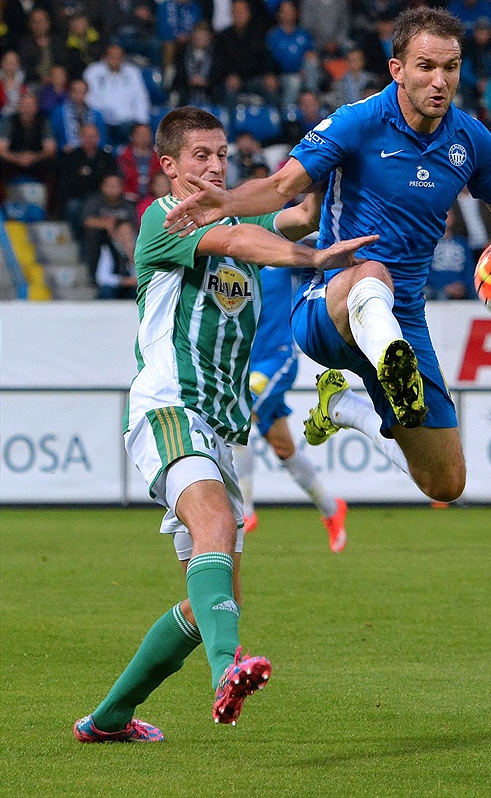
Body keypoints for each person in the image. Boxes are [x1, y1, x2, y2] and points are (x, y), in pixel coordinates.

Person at [163, 7, 491, 505]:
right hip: (327, 307)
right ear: (397, 69)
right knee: (372, 268)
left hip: (404, 318)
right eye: (426, 66)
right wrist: (229, 201)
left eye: (451, 67)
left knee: (445, 484)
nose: (440, 80)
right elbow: (285, 185)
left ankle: (347, 408)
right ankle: (393, 364)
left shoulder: (471, 140)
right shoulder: (358, 122)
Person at [73, 105, 375, 743]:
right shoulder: (163, 217)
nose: (214, 166)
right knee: (213, 525)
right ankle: (227, 673)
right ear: (170, 167)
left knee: (209, 601)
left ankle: (109, 719)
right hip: (168, 405)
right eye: (200, 156)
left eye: (221, 156)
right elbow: (242, 242)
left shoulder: (242, 211)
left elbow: (299, 211)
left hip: (219, 426)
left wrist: (347, 158)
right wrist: (309, 258)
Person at [234, 261, 348, 550]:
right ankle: (332, 509)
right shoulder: (235, 264)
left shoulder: (281, 260)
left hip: (278, 358)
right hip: (248, 365)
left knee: (239, 414)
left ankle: (244, 512)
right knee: (283, 448)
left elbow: (319, 256)